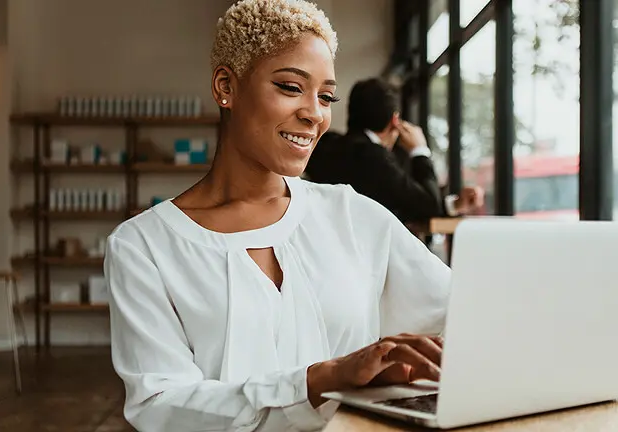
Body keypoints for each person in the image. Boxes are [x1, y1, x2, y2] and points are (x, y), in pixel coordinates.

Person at [104, 1, 451, 431]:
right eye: (290, 87)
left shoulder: (353, 215)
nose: (314, 113)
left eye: (326, 96)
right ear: (225, 86)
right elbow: (160, 405)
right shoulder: (143, 246)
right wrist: (320, 380)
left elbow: (464, 317)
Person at [305, 77, 484, 224]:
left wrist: (454, 205)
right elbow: (428, 203)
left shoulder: (323, 145)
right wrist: (420, 150)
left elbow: (405, 200)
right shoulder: (375, 158)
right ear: (395, 120)